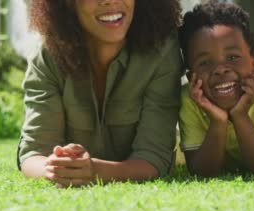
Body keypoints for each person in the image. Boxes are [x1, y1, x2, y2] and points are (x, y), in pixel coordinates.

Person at [17, 0, 182, 187]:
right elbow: (33, 154)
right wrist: (57, 167)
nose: (110, 1)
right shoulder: (48, 56)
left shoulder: (162, 51)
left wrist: (95, 170)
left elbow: (154, 159)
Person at [178, 0, 254, 177]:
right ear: (190, 76)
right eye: (205, 63)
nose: (220, 69)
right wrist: (218, 122)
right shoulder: (189, 99)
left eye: (232, 57)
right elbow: (201, 172)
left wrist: (240, 116)